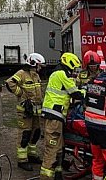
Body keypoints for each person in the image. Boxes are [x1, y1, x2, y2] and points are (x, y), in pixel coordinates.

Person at [40, 52, 84, 180]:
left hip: (57, 116)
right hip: (54, 116)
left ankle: (57, 173)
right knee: (52, 148)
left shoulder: (58, 73)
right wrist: (87, 92)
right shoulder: (61, 74)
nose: (73, 70)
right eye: (73, 67)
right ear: (69, 64)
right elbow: (75, 92)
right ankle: (46, 177)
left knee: (59, 147)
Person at [5, 52, 45, 171]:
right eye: (40, 65)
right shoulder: (22, 74)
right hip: (25, 112)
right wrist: (21, 94)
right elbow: (9, 83)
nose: (41, 68)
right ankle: (22, 160)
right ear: (33, 64)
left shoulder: (36, 76)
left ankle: (32, 155)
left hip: (35, 112)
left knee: (36, 132)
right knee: (25, 135)